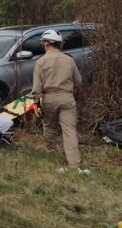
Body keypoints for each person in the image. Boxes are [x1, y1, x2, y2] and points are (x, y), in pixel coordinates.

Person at [29, 30, 88, 174]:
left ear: (46, 43)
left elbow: (36, 88)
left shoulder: (40, 62)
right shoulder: (69, 60)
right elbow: (79, 82)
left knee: (49, 128)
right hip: (67, 98)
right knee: (69, 131)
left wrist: (36, 102)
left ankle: (51, 155)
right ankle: (74, 164)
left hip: (48, 98)